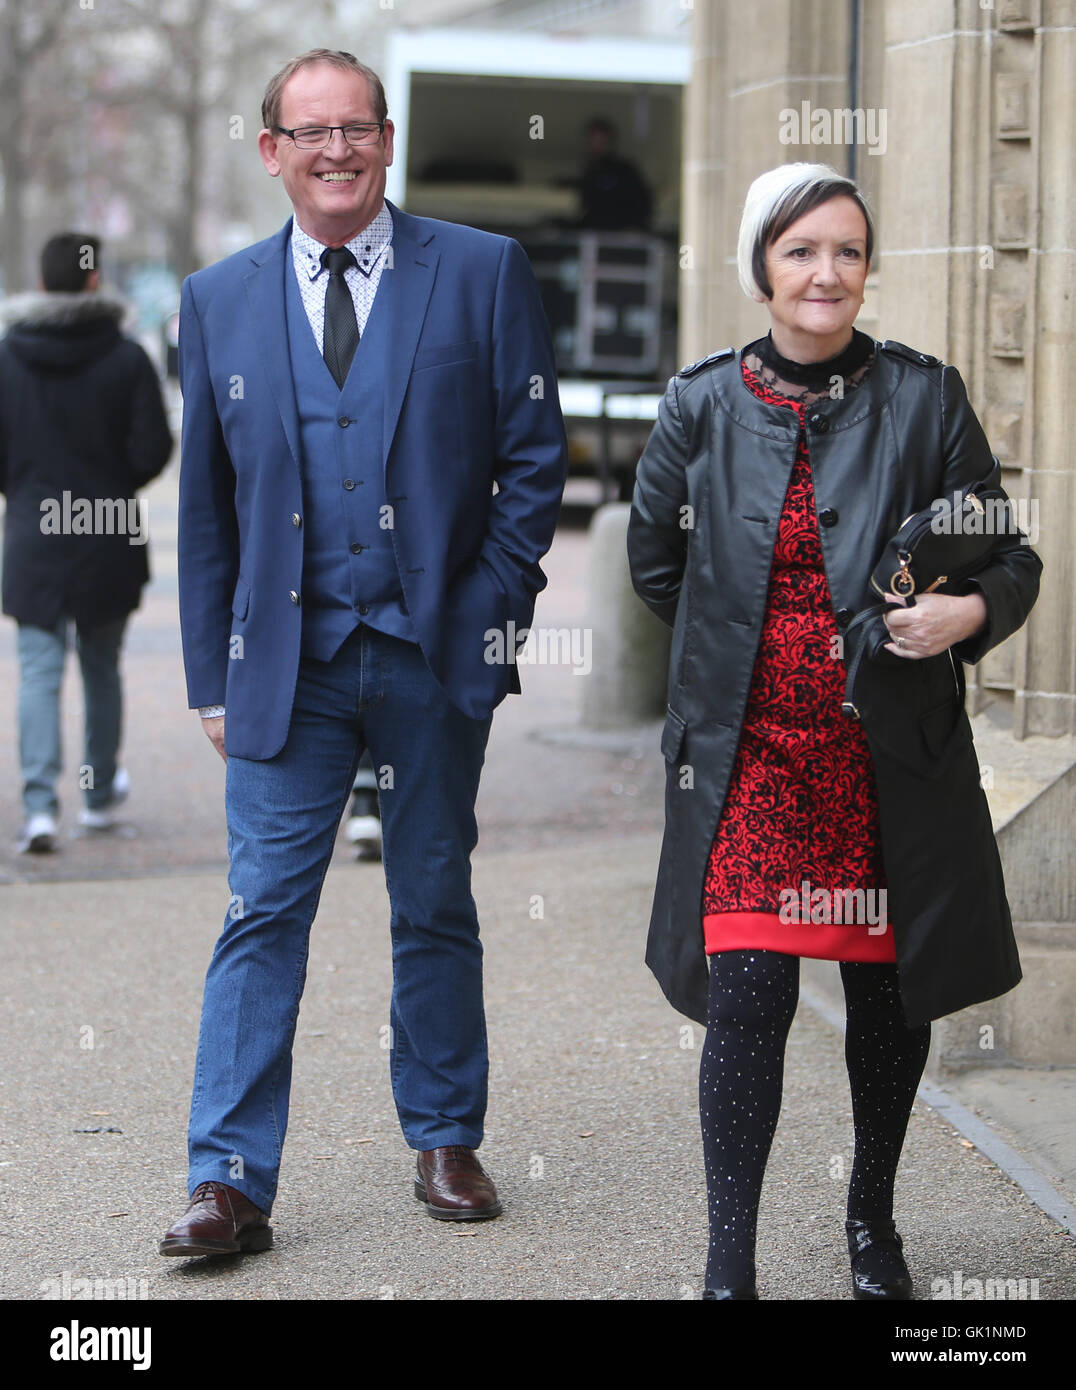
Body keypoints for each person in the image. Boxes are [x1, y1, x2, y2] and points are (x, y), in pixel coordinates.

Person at [161, 48, 567, 1257]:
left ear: (387, 141)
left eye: (355, 129)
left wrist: (487, 610)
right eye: (309, 132)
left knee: (431, 897)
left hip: (430, 655)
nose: (334, 150)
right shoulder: (217, 297)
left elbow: (533, 461)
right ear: (271, 149)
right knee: (258, 911)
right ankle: (227, 1179)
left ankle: (445, 1136)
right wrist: (206, 677)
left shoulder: (483, 272)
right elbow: (206, 510)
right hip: (284, 663)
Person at [627, 163, 1041, 1301]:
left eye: (845, 251)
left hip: (884, 758)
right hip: (751, 756)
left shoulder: (924, 394)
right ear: (761, 265)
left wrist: (965, 613)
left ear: (866, 269)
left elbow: (1005, 552)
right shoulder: (699, 401)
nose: (824, 273)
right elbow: (656, 566)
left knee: (882, 1002)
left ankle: (870, 1220)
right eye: (800, 249)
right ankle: (727, 1267)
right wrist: (747, 648)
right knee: (749, 994)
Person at [0, 233, 172, 853]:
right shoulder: (126, 358)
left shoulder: (6, 356)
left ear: (42, 284)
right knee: (102, 667)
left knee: (39, 672)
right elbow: (153, 447)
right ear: (95, 280)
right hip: (105, 533)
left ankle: (40, 806)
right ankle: (97, 794)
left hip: (33, 534)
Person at [578, 117, 653, 232]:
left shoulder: (625, 171)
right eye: (593, 141)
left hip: (622, 236)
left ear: (610, 142)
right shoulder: (590, 172)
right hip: (595, 234)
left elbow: (642, 204)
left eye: (601, 141)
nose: (597, 146)